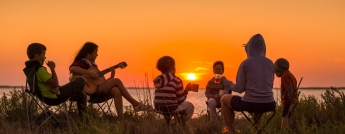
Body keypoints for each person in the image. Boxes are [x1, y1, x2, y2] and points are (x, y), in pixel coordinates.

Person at [69, 42, 152, 120]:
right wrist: (88, 72)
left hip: (96, 93)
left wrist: (111, 77)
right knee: (117, 80)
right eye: (95, 52)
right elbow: (72, 68)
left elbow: (99, 84)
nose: (97, 55)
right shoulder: (81, 63)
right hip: (86, 94)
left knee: (116, 90)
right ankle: (136, 104)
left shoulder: (93, 66)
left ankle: (121, 120)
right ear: (88, 53)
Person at [220, 34, 276, 133]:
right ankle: (256, 130)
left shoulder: (246, 63)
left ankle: (231, 131)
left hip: (250, 104)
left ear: (249, 48)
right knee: (258, 102)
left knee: (224, 98)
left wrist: (226, 82)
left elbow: (239, 88)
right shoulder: (270, 63)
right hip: (269, 104)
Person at [23, 43, 88, 118]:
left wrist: (55, 87)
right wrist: (52, 68)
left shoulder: (30, 69)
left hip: (48, 96)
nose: (45, 57)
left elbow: (48, 84)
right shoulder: (39, 70)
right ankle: (86, 96)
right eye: (43, 54)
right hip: (54, 97)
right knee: (80, 79)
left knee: (82, 95)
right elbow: (55, 83)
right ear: (37, 56)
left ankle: (84, 120)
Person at [153, 56, 195, 126]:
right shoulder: (177, 80)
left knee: (168, 103)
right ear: (173, 68)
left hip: (158, 107)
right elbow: (181, 100)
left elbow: (165, 94)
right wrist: (186, 90)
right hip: (171, 108)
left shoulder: (157, 80)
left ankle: (167, 124)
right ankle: (182, 122)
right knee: (190, 106)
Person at [274, 58, 298, 132]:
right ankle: (291, 131)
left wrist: (291, 98)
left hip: (288, 101)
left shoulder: (285, 76)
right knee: (289, 118)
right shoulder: (291, 75)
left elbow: (289, 88)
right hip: (293, 101)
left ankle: (283, 132)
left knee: (284, 118)